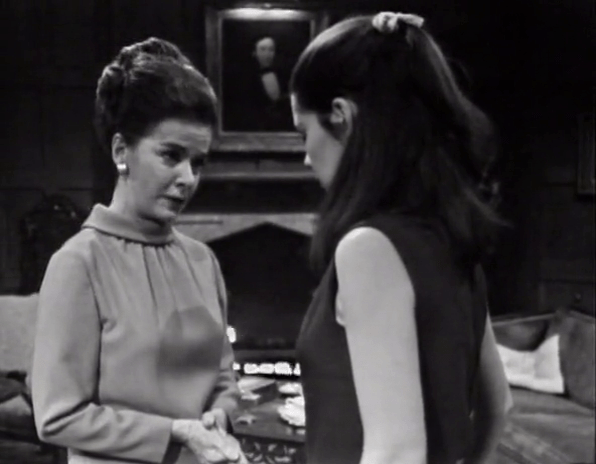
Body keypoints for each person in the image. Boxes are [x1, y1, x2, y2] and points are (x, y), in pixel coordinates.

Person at [290, 12, 513, 464]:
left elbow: (396, 453)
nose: (306, 157)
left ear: (341, 116)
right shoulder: (449, 237)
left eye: (303, 132)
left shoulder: (370, 248)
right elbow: (498, 406)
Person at [31, 37, 247, 464]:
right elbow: (57, 416)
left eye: (198, 162)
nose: (188, 178)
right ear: (120, 152)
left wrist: (220, 414)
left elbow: (223, 377)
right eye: (171, 155)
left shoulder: (202, 260)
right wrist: (175, 432)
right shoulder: (78, 263)